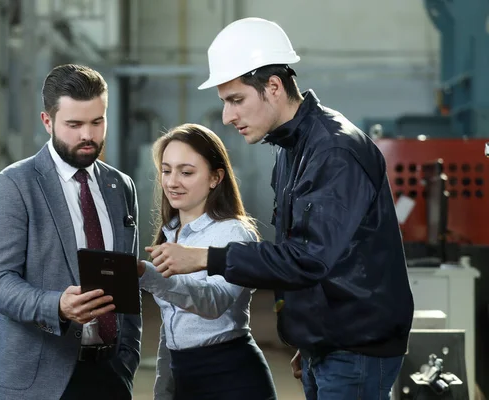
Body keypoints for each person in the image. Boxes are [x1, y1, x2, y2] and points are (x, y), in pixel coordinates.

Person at [147, 18, 414, 399]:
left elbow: (308, 258)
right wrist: (308, 338)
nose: (227, 116)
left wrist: (206, 257)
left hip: (355, 349)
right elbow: (309, 254)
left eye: (235, 100)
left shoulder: (333, 151)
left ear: (273, 86)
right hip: (328, 345)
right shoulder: (292, 150)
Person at [0, 64, 141, 400]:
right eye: (74, 124)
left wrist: (127, 358)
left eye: (97, 122)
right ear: (47, 121)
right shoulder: (13, 185)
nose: (88, 135)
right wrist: (57, 306)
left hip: (109, 374)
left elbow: (128, 281)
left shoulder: (120, 186)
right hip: (37, 380)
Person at [138, 123, 277, 400]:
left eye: (186, 172)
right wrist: (164, 389)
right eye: (166, 170)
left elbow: (214, 303)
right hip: (183, 377)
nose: (172, 181)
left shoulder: (233, 232)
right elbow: (172, 325)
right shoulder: (170, 232)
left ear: (216, 177)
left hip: (231, 378)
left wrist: (149, 275)